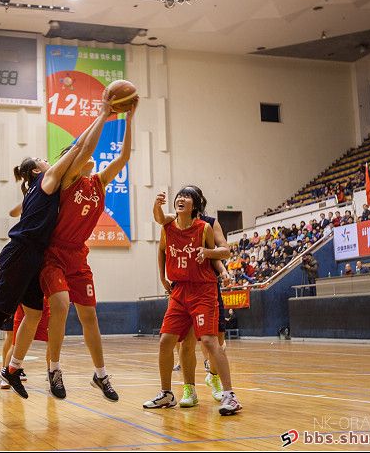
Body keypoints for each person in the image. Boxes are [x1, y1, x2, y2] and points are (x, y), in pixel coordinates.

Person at [0, 99, 113, 400]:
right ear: (36, 170)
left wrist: (100, 119)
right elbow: (80, 149)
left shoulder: (47, 184)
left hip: (36, 257)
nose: (47, 160)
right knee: (1, 313)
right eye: (42, 158)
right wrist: (102, 115)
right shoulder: (47, 179)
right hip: (21, 252)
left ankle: (13, 368)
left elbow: (80, 153)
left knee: (35, 314)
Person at [39, 102, 136, 401]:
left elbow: (124, 157)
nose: (90, 157)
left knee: (90, 317)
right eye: (82, 155)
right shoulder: (68, 181)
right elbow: (80, 149)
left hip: (78, 256)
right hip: (54, 254)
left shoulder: (99, 182)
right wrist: (103, 115)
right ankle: (54, 368)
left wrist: (129, 119)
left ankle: (100, 374)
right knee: (60, 305)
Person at [143, 187, 241, 416]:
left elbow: (220, 252)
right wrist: (162, 277)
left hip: (202, 290)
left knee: (209, 340)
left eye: (187, 197)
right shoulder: (168, 226)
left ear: (195, 205)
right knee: (166, 341)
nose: (181, 199)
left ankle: (230, 395)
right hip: (179, 291)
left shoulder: (205, 227)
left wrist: (208, 255)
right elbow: (160, 243)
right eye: (179, 196)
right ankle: (167, 393)